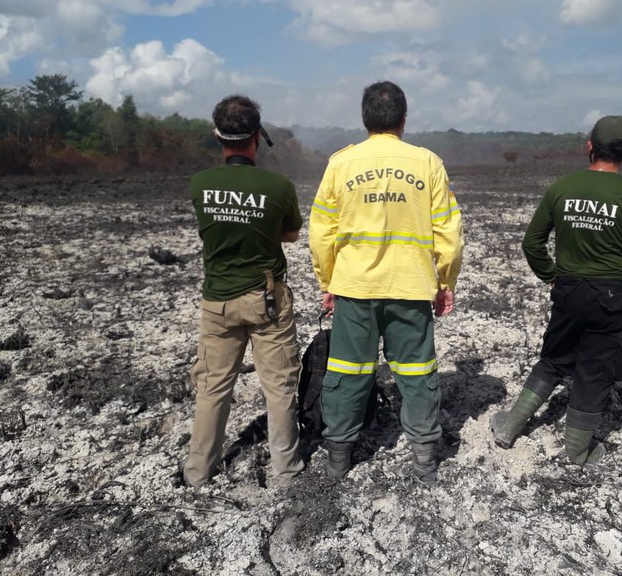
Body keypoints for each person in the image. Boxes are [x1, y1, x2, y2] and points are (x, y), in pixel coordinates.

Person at [308, 81, 464, 485]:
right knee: (416, 372)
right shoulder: (427, 162)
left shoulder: (341, 164)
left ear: (364, 119)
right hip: (411, 287)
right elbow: (449, 230)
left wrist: (328, 281)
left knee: (347, 371)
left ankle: (339, 460)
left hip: (355, 288)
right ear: (404, 119)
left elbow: (321, 232)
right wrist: (445, 281)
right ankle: (424, 462)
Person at [490, 115, 622, 465]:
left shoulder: (562, 188)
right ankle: (577, 450)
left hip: (567, 292)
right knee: (594, 371)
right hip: (610, 297)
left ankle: (509, 426)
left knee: (554, 358)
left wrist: (552, 275)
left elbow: (531, 244)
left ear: (588, 147)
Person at [183, 95, 304, 488]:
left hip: (217, 303)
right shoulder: (278, 186)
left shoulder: (200, 185)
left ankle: (199, 472)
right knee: (280, 387)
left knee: (212, 388)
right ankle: (285, 473)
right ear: (257, 136)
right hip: (267, 301)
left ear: (217, 136)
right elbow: (289, 233)